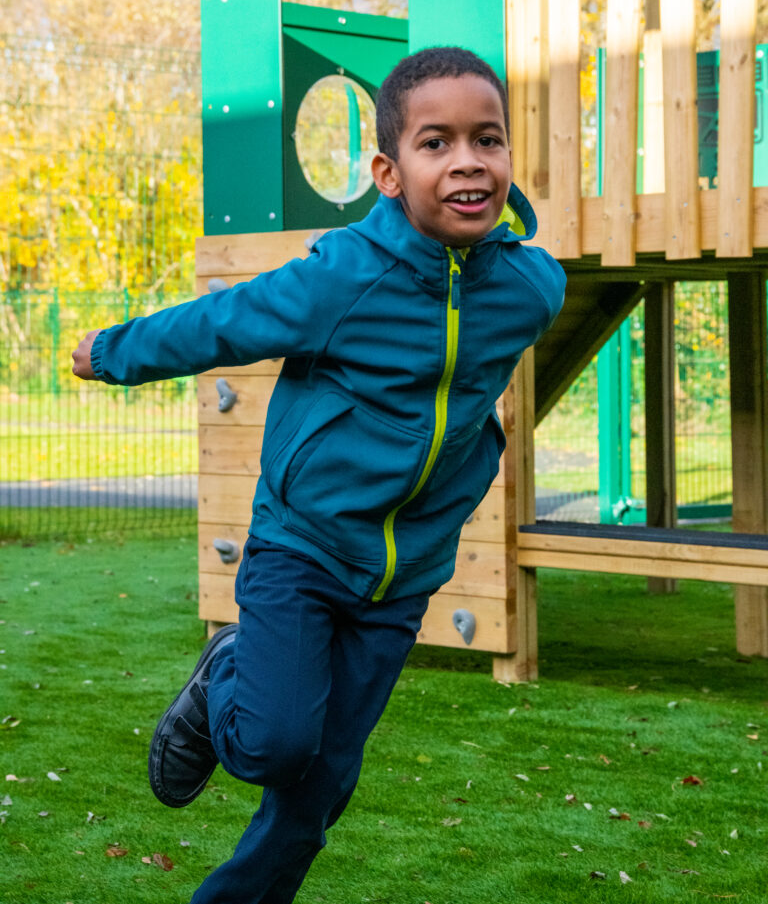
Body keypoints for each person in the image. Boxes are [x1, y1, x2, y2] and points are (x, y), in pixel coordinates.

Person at [72, 46, 566, 904]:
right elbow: (224, 323)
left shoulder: (531, 287)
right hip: (301, 547)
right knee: (272, 745)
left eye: (487, 140)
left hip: (404, 572)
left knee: (317, 792)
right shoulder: (344, 277)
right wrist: (112, 351)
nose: (466, 162)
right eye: (435, 143)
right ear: (387, 170)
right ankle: (220, 674)